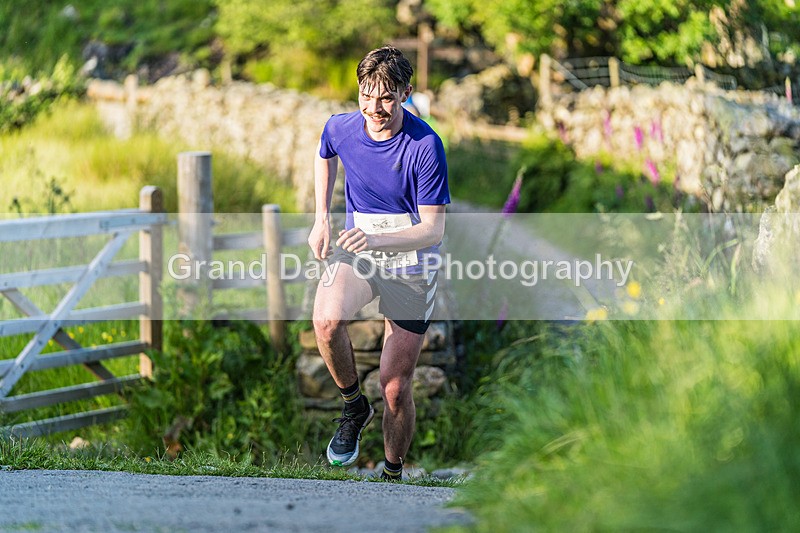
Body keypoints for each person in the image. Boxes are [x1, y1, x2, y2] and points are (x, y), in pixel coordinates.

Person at [308, 45, 450, 481]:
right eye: (366, 96)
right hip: (359, 252)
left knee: (394, 387)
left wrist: (376, 238)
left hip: (411, 266)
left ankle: (392, 473)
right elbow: (324, 153)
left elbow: (433, 230)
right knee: (326, 321)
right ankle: (354, 407)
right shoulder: (341, 127)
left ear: (406, 93)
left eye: (387, 97)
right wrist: (321, 218)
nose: (375, 108)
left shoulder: (426, 146)